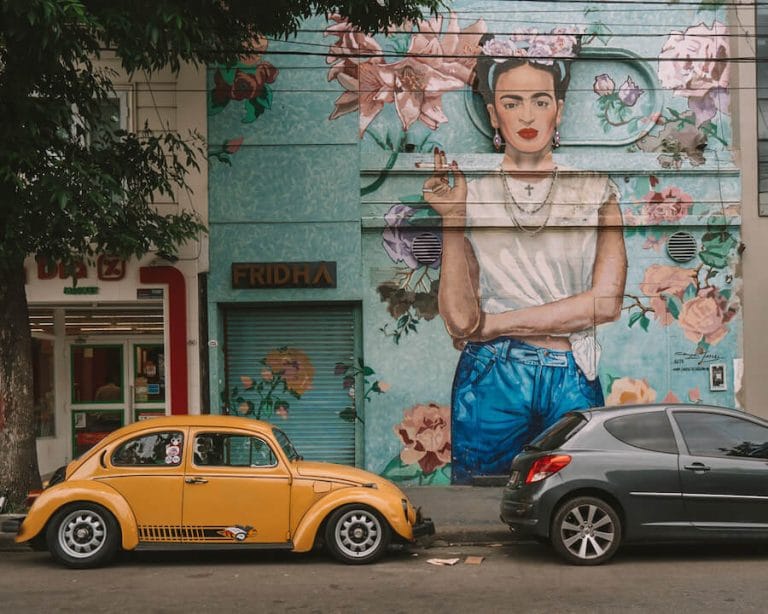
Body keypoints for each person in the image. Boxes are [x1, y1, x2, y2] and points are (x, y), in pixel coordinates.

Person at [422, 30, 627, 484]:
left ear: (560, 109)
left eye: (541, 100)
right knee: (479, 495)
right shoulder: (470, 194)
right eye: (512, 103)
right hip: (492, 374)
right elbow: (459, 321)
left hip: (572, 371)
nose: (527, 115)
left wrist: (496, 325)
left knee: (581, 488)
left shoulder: (597, 189)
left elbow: (605, 303)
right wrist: (453, 218)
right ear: (494, 114)